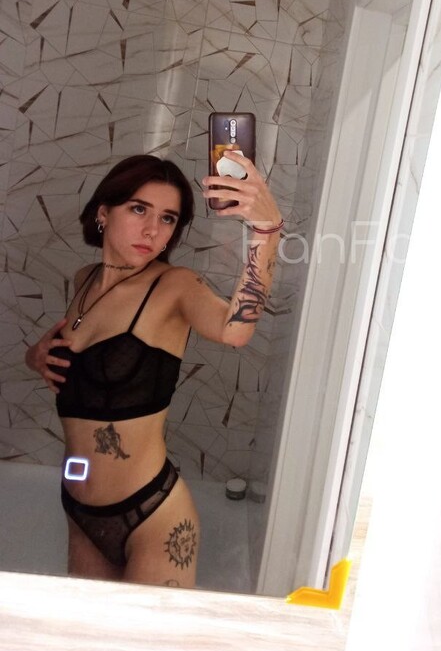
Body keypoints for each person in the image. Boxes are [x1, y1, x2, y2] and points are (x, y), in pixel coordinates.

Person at [24, 152, 282, 589]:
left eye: (167, 218)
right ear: (103, 213)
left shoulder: (173, 286)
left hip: (151, 516)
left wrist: (266, 230)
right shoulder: (84, 279)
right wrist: (35, 357)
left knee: (144, 638)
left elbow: (235, 330)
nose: (152, 230)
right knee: (89, 634)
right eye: (138, 209)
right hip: (80, 507)